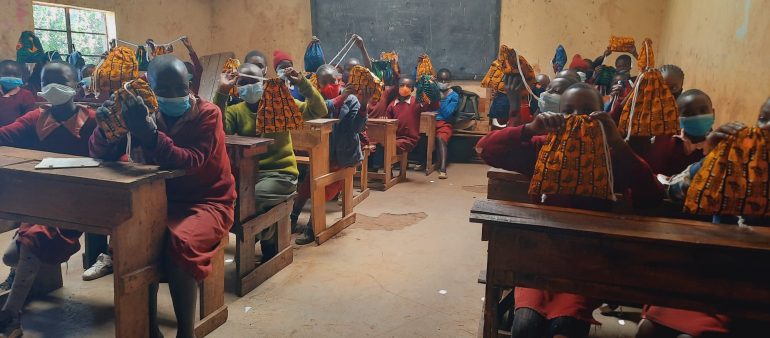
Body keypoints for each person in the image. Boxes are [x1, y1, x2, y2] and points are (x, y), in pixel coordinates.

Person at [476, 81, 663, 338]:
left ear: (603, 115)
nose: (577, 118)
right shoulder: (545, 147)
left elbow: (651, 195)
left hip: (588, 260)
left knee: (566, 325)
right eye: (569, 111)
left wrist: (617, 141)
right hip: (540, 255)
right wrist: (530, 128)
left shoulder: (612, 155)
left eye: (587, 111)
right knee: (525, 325)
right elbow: (486, 149)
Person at [89, 55, 235, 338]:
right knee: (135, 243)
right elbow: (100, 155)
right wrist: (104, 130)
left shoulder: (208, 114)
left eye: (180, 88)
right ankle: (150, 328)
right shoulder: (139, 110)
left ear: (190, 85)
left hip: (207, 201)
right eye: (164, 90)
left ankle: (185, 332)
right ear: (150, 87)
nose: (173, 96)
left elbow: (189, 161)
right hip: (155, 200)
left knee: (180, 240)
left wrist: (149, 134)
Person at [636, 99, 770, 338]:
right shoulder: (739, 161)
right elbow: (674, 188)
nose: (766, 128)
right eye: (763, 119)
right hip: (712, 273)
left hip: (755, 288)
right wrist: (714, 153)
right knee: (648, 328)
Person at [0, 61, 98, 337]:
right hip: (44, 202)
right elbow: (5, 136)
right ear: (39, 89)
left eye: (62, 83)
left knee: (30, 243)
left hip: (84, 201)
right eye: (47, 83)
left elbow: (117, 157)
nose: (54, 89)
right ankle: (24, 254)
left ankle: (10, 314)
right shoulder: (36, 119)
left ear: (77, 86)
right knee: (12, 255)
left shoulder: (92, 120)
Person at [216, 62, 327, 251]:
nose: (248, 86)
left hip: (281, 174)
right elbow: (218, 128)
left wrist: (303, 84)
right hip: (248, 176)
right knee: (223, 205)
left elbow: (319, 110)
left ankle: (267, 233)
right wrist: (222, 93)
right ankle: (269, 231)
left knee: (248, 202)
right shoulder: (237, 111)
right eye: (242, 82)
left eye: (253, 81)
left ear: (263, 82)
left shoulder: (279, 105)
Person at [292, 82, 370, 244]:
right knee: (307, 185)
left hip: (343, 156)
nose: (331, 85)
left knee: (322, 188)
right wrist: (338, 98)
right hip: (322, 153)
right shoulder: (315, 100)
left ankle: (313, 225)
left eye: (333, 80)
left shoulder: (352, 100)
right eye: (325, 80)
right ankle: (292, 217)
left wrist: (363, 106)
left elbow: (357, 127)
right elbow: (320, 111)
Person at [370, 76, 439, 171]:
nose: (404, 88)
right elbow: (389, 123)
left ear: (412, 89)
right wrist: (384, 120)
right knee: (376, 144)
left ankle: (381, 171)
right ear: (397, 88)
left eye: (408, 86)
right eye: (401, 85)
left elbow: (433, 105)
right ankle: (375, 171)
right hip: (394, 137)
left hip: (409, 139)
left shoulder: (416, 102)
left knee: (385, 146)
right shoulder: (392, 105)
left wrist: (433, 88)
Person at [642, 89, 714, 176]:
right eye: (688, 113)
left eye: (703, 111)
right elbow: (652, 171)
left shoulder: (717, 145)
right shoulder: (667, 139)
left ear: (713, 114)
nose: (698, 117)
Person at [433, 68, 458, 179]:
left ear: (450, 81)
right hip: (430, 122)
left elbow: (447, 114)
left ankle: (443, 168)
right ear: (436, 80)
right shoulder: (433, 92)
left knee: (440, 138)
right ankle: (424, 163)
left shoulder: (454, 96)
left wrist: (442, 100)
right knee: (421, 135)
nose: (443, 83)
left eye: (446, 80)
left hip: (444, 123)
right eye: (441, 80)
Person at [0, 60, 35, 127]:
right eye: (7, 74)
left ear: (20, 76)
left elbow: (29, 121)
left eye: (15, 75)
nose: (11, 77)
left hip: (15, 134)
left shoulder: (26, 95)